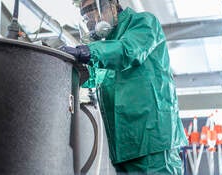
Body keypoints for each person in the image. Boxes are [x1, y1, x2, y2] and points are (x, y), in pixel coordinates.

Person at [60, 0, 187, 174]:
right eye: (85, 14)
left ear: (112, 4)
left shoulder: (143, 23)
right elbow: (92, 77)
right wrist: (63, 66)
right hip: (124, 147)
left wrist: (86, 52)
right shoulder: (107, 46)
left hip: (153, 142)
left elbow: (128, 51)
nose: (90, 19)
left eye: (92, 9)